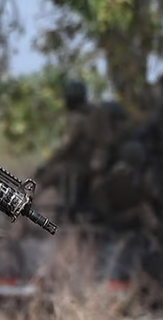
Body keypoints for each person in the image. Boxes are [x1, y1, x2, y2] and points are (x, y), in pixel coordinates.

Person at [34, 79, 113, 222]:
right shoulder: (100, 114)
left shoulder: (77, 119)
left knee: (42, 178)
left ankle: (19, 213)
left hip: (77, 167)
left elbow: (65, 147)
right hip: (97, 167)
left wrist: (45, 165)